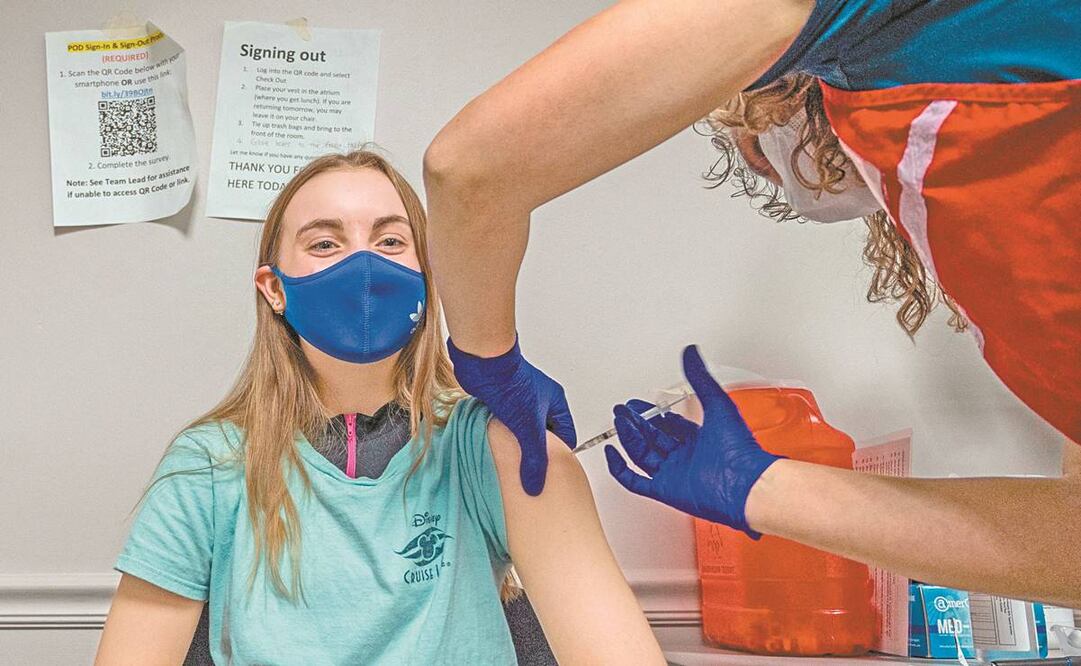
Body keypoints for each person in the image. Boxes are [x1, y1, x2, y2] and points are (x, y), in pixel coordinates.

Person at [421, 0, 1080, 606]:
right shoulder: (964, 196)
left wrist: (488, 355)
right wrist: (758, 488)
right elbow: (1070, 546)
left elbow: (469, 169)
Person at [94, 150, 665, 665]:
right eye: (325, 243)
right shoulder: (209, 467)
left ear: (427, 276)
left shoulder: (502, 448)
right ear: (274, 289)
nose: (363, 266)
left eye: (391, 241)